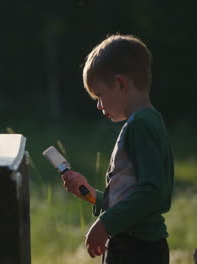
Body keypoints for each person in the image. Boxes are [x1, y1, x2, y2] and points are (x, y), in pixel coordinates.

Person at [62, 34, 174, 264]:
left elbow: (152, 193)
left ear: (121, 83)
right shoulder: (146, 121)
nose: (98, 105)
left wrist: (105, 223)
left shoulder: (141, 124)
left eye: (100, 95)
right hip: (134, 244)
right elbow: (132, 198)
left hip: (136, 249)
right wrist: (90, 193)